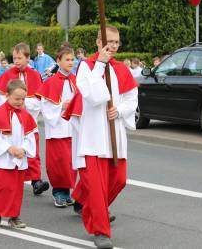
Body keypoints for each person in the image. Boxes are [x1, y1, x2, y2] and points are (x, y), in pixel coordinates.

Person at [74, 25, 138, 249]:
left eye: (117, 42)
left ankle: (92, 212)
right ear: (98, 42)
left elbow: (132, 97)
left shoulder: (122, 68)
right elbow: (92, 96)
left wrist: (119, 110)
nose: (113, 46)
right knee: (97, 188)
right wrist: (100, 64)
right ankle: (101, 232)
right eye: (109, 42)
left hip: (115, 136)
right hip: (94, 137)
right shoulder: (86, 67)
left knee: (119, 181)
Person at [0, 43, 49, 196]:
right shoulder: (7, 74)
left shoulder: (35, 75)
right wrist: (13, 106)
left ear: (28, 58)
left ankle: (36, 180)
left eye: (20, 58)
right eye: (15, 58)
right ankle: (12, 179)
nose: (16, 61)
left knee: (33, 149)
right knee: (14, 151)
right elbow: (0, 97)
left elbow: (38, 100)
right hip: (11, 119)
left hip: (29, 119)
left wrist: (24, 103)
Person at [0, 79, 36, 229]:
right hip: (3, 158)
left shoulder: (26, 115)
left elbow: (30, 136)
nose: (20, 102)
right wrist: (9, 148)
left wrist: (23, 149)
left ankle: (14, 216)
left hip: (19, 157)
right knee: (1, 187)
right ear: (7, 96)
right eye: (17, 98)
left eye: (23, 99)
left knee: (16, 189)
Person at [37, 46, 78, 208]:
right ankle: (58, 193)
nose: (70, 62)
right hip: (58, 128)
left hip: (73, 127)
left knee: (71, 162)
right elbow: (45, 105)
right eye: (67, 59)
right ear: (58, 61)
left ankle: (67, 193)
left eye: (72, 59)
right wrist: (61, 105)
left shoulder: (76, 80)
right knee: (59, 162)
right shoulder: (51, 82)